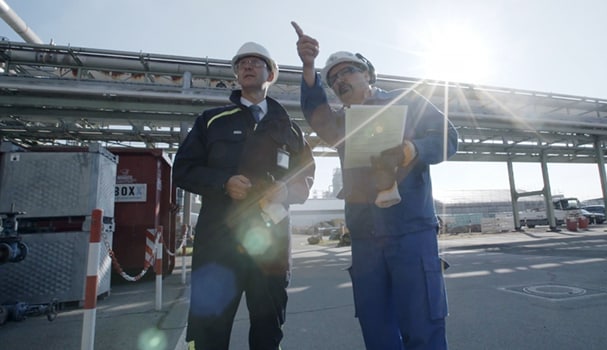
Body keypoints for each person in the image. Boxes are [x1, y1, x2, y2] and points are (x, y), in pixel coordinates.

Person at [292, 22, 458, 350]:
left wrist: (412, 150)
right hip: (366, 239)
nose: (340, 80)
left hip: (411, 230)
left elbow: (448, 137)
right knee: (377, 328)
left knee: (423, 324)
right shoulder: (340, 124)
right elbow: (315, 112)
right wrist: (309, 67)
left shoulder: (408, 102)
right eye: (333, 78)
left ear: (368, 74)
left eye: (348, 71)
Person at [173, 41, 315, 350]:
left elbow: (306, 177)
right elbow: (182, 170)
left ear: (271, 73)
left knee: (268, 330)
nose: (247, 66)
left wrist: (287, 190)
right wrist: (223, 182)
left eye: (256, 62)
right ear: (237, 75)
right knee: (210, 330)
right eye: (241, 63)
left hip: (271, 247)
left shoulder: (290, 130)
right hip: (219, 244)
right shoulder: (211, 121)